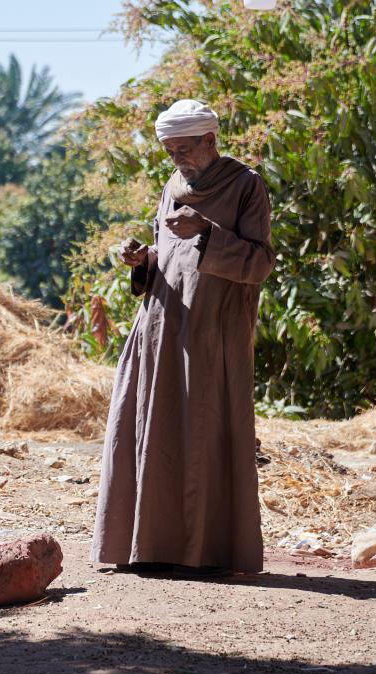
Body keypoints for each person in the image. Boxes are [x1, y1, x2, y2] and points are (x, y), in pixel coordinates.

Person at [91, 99, 276, 577]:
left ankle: (205, 552)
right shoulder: (173, 186)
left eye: (184, 148)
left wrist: (207, 231)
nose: (177, 159)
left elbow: (259, 263)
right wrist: (142, 259)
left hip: (212, 332)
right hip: (159, 325)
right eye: (170, 150)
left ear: (210, 140)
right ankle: (148, 546)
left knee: (202, 431)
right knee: (148, 429)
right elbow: (167, 253)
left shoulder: (244, 186)